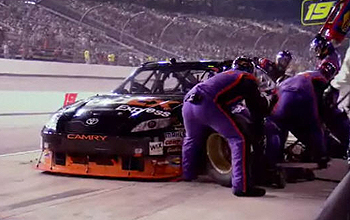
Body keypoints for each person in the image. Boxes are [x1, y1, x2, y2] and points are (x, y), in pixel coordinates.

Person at [182, 56, 274, 197]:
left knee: (192, 139)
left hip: (189, 101)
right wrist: (258, 130)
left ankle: (188, 174)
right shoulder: (246, 78)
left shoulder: (225, 75)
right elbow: (255, 108)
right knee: (239, 139)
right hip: (207, 103)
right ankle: (241, 187)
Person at [265, 60, 339, 172]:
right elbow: (325, 102)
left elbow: (274, 98)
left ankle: (273, 158)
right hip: (304, 93)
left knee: (277, 125)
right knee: (315, 126)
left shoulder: (302, 74)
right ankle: (321, 157)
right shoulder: (321, 79)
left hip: (283, 92)